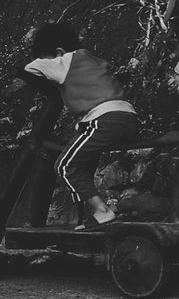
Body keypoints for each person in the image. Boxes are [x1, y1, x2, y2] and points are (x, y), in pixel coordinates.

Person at [7, 22, 140, 229]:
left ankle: (102, 211)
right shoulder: (92, 59)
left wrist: (51, 74)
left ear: (59, 51)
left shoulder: (64, 60)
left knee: (65, 166)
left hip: (105, 119)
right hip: (127, 118)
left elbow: (30, 68)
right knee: (80, 162)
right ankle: (85, 217)